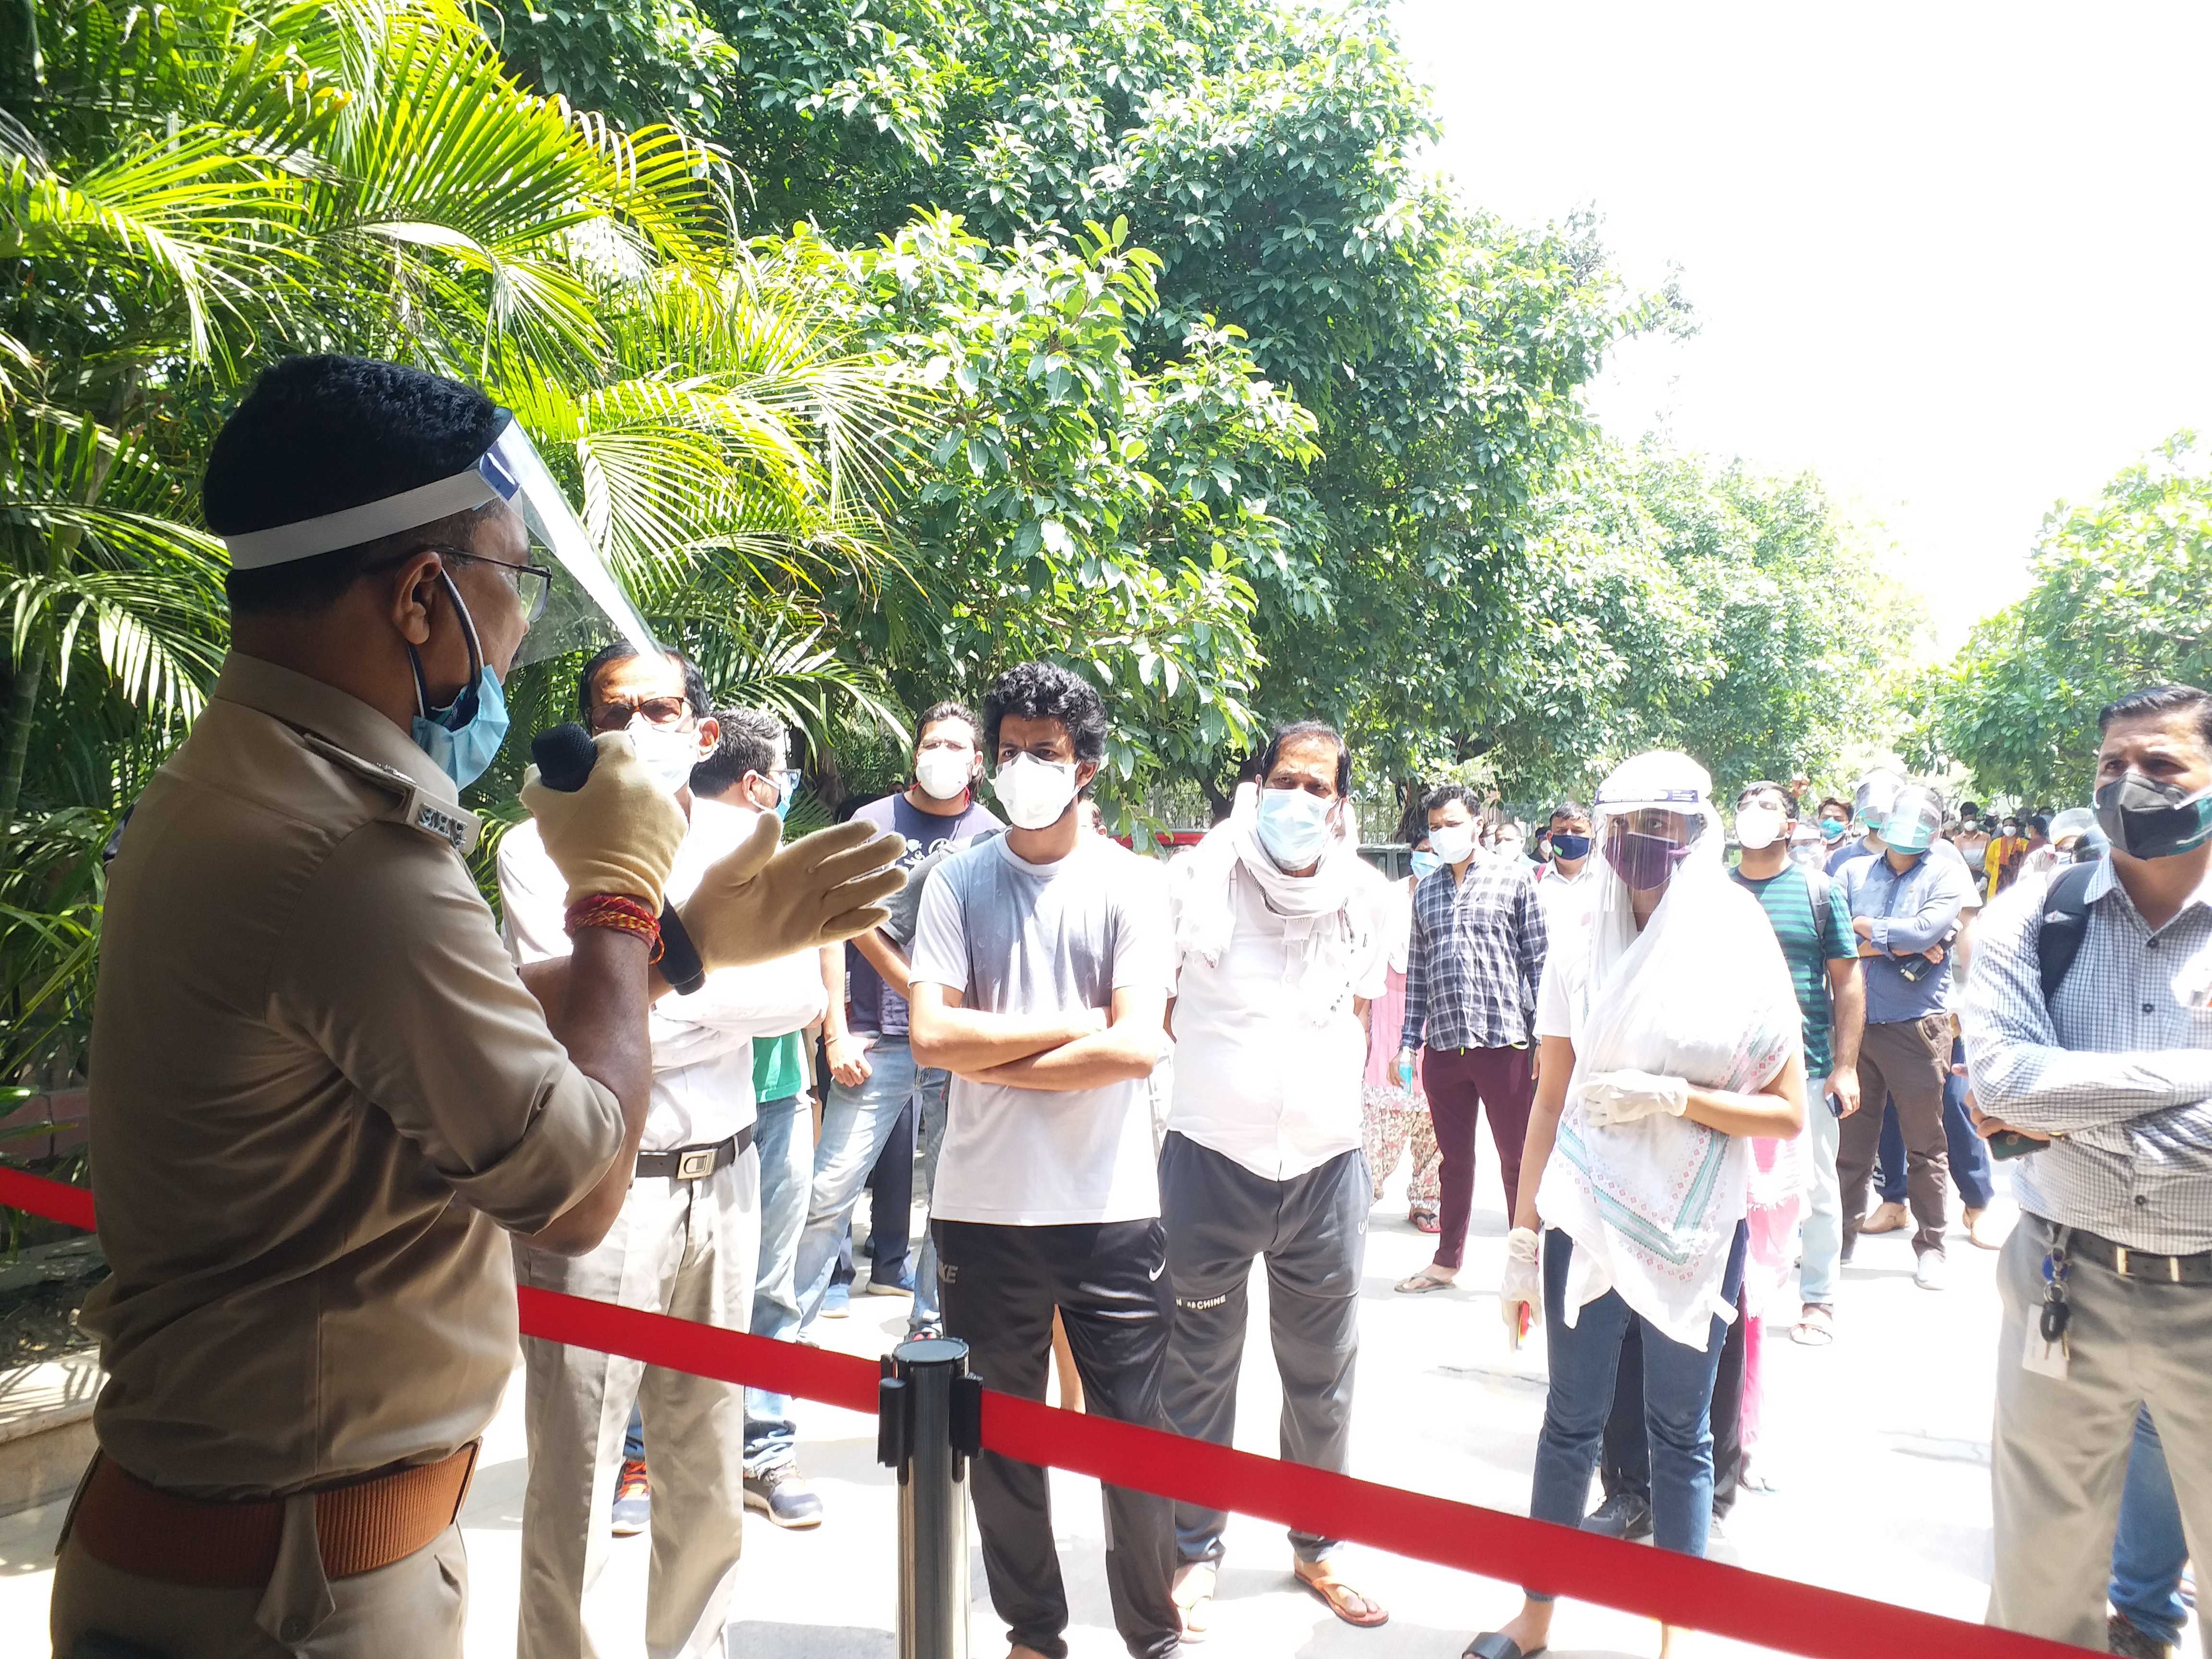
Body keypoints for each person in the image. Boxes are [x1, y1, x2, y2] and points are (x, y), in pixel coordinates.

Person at [48, 355, 900, 1658]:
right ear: (417, 595)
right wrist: (619, 898)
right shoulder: (344, 846)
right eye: (510, 586)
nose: (513, 636)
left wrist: (676, 941)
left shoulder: (248, 783)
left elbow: (454, 1018)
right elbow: (573, 1185)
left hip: (256, 1556)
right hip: (290, 1593)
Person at [1466, 752, 1804, 1659]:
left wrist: (1675, 1098)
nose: (1641, 844)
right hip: (1584, 1208)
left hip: (1694, 1226)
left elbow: (1784, 1108)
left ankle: (1674, 1637)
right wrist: (1523, 1230)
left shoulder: (1736, 936)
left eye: (1662, 826)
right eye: (1628, 827)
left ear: (1696, 834)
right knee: (1568, 1422)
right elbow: (1548, 1095)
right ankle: (1534, 1618)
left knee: (1678, 1436)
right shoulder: (1579, 930)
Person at [496, 649, 778, 1657]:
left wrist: (647, 983)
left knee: (707, 1470)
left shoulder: (749, 839)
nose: (634, 729)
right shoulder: (540, 848)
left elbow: (783, 1000)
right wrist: (702, 975)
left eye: (659, 710)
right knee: (574, 1478)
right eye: (613, 712)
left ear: (704, 734)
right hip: (606, 1199)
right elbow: (568, 1020)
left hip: (730, 1180)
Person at [907, 661, 1182, 1659]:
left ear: (1087, 767)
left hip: (1110, 1208)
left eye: (1048, 754)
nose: (1026, 769)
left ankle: (1152, 1631)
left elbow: (1137, 1047)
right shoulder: (958, 879)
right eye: (1012, 750)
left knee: (1132, 1443)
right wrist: (1074, 1032)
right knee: (1007, 1447)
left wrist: (1004, 1047)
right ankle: (1035, 1629)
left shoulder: (1132, 885)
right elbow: (933, 1040)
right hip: (982, 1210)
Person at [1962, 683, 2212, 1654]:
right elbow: (2006, 1084)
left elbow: (2028, 1107)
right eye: (2113, 766)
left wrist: (2061, 1118)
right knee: (2038, 1584)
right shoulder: (2036, 917)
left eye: (2162, 766)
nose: (2131, 785)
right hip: (2068, 1279)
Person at [1159, 722, 1394, 1638]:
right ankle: (1191, 1549)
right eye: (1283, 780)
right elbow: (1167, 1008)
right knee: (1195, 1369)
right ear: (1255, 786)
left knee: (1321, 1374)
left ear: (1339, 804)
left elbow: (1358, 1010)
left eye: (1317, 786)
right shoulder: (1192, 882)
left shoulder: (1367, 896)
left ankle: (1318, 1542)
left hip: (1327, 1168)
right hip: (1210, 1160)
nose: (1299, 799)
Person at [789, 706, 1000, 1353]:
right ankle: (782, 1335)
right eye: (930, 742)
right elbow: (838, 926)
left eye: (954, 744)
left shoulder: (993, 836)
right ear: (914, 754)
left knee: (950, 1193)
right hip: (873, 1039)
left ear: (977, 763)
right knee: (830, 1190)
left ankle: (932, 1328)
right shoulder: (871, 824)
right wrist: (836, 1031)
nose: (940, 752)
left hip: (954, 1045)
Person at [679, 709, 838, 1531]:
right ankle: (646, 1452)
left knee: (770, 1285)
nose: (786, 789)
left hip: (778, 1097)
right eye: (782, 773)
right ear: (755, 783)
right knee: (666, 1296)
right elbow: (703, 996)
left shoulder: (783, 863)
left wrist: (818, 1019)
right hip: (693, 1112)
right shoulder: (663, 858)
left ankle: (763, 1448)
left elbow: (812, 971)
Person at [1393, 784, 1549, 1295]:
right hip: (1443, 1046)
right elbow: (1417, 971)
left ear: (1478, 824)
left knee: (1518, 1158)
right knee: (1454, 1160)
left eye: (1452, 823)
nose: (1443, 834)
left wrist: (1546, 1038)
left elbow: (1540, 963)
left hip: (1503, 1041)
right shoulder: (1428, 891)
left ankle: (1531, 1262)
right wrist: (1407, 1043)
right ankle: (1446, 1261)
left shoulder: (1515, 880)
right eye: (1435, 826)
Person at [1727, 782, 1864, 1346]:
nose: (1753, 818)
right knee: (1731, 1187)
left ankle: (1818, 1298)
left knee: (1814, 1185)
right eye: (1745, 807)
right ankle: (1738, 1288)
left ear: (1790, 826)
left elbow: (1848, 981)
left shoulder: (1817, 891)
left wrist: (1846, 1065)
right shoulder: (1710, 892)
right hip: (1727, 1072)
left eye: (1768, 809)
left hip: (1802, 1066)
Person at [1835, 783, 1967, 1290]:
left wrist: (1874, 929)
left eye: (1923, 821)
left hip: (1917, 1025)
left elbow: (1926, 932)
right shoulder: (1849, 871)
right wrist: (1902, 942)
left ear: (1937, 829)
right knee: (1851, 1144)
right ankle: (1841, 1239)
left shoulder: (1946, 873)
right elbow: (1841, 937)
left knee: (1925, 1145)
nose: (1911, 829)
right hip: (1855, 1025)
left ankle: (1932, 1245)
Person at [1363, 834, 1444, 1232]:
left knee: (1438, 1119)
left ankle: (1427, 1200)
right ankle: (1362, 1193)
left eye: (1436, 853)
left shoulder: (1454, 896)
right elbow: (1365, 960)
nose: (1428, 859)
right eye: (1423, 851)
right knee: (1382, 1117)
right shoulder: (1389, 899)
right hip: (1390, 1013)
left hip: (1440, 1018)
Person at [1534, 801, 1598, 942]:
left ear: (1592, 835)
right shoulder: (1533, 879)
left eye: (1578, 831)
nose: (1570, 836)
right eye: (1562, 831)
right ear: (1550, 838)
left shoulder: (1607, 880)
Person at [1986, 812, 2030, 893]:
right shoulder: (1996, 843)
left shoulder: (2025, 844)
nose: (2008, 828)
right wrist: (1998, 873)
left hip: (2018, 882)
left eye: (2011, 826)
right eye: (2006, 826)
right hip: (1999, 883)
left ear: (2018, 828)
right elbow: (1989, 862)